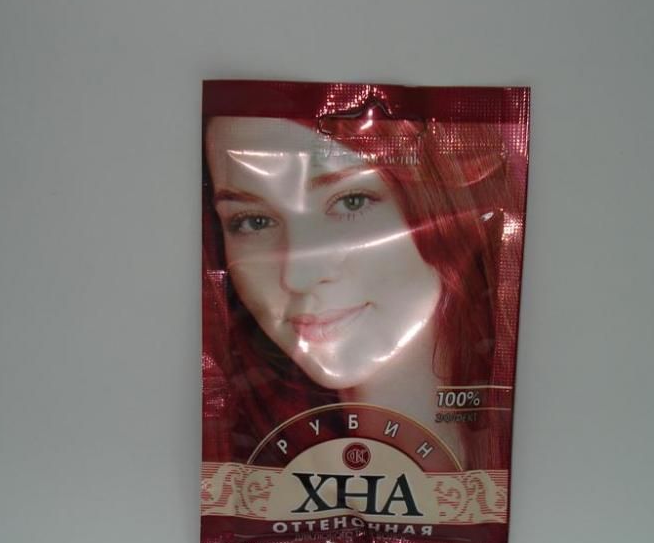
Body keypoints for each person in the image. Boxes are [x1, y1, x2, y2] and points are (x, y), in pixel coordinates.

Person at [202, 109, 520, 470]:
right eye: (253, 221)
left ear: (445, 207)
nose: (298, 276)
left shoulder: (536, 445)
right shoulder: (247, 462)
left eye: (351, 201)